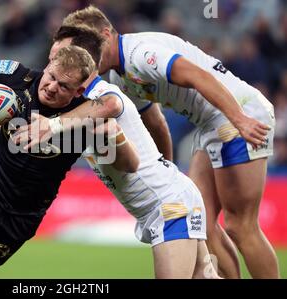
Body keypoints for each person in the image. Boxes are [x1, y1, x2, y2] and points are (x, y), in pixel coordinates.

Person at [59, 6, 278, 278]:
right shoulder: (119, 77)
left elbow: (198, 75)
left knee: (240, 226)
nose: (87, 59)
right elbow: (157, 124)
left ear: (106, 34)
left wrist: (240, 119)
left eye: (91, 48)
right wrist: (167, 178)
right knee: (201, 221)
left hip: (236, 114)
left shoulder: (140, 53)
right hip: (210, 124)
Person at [7, 25, 219, 278]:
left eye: (62, 55)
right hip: (170, 197)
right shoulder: (74, 108)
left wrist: (53, 125)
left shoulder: (100, 94)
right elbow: (36, 143)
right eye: (52, 58)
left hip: (168, 204)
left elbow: (111, 104)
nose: (54, 63)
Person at [0, 45, 139, 279]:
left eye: (64, 86)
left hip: (22, 216)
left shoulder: (85, 117)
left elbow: (129, 164)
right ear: (47, 67)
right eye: (51, 77)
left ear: (78, 91)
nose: (52, 87)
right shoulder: (20, 78)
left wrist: (114, 134)